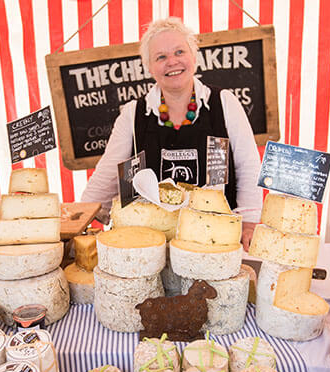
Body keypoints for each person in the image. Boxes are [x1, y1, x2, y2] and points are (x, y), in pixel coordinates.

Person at [81, 17, 262, 249]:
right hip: (153, 242)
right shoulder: (133, 113)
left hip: (214, 239)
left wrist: (249, 221)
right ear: (149, 67)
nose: (172, 62)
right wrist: (85, 216)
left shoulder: (223, 103)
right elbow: (107, 174)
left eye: (179, 52)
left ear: (194, 57)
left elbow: (248, 166)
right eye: (161, 57)